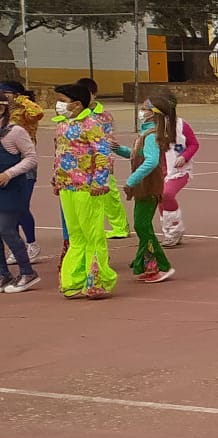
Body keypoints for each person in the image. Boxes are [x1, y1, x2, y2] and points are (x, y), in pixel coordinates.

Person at [50, 84, 125, 298]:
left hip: (87, 187)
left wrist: (99, 182)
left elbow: (103, 153)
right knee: (76, 235)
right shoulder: (62, 124)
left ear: (76, 104)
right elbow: (60, 154)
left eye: (63, 100)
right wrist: (56, 179)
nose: (58, 104)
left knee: (92, 235)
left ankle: (97, 281)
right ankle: (73, 280)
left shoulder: (91, 124)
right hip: (67, 186)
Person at [121, 98, 178, 285]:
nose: (141, 111)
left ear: (153, 113)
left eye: (144, 109)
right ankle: (146, 263)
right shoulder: (145, 133)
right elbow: (138, 154)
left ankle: (161, 265)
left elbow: (151, 161)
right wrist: (118, 149)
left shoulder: (152, 135)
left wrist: (132, 179)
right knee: (143, 226)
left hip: (149, 186)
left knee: (142, 225)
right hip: (144, 186)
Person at [0, 91, 35, 292]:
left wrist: (9, 173)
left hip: (12, 188)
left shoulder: (15, 132)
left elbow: (31, 158)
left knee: (6, 229)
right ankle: (3, 274)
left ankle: (27, 271)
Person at [156, 95, 199, 249]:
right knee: (159, 198)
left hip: (178, 170)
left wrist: (184, 156)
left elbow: (194, 144)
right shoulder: (151, 127)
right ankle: (169, 232)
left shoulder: (181, 125)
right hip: (158, 171)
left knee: (167, 194)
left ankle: (175, 229)